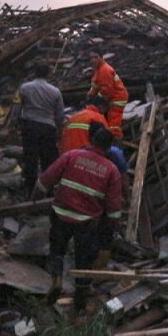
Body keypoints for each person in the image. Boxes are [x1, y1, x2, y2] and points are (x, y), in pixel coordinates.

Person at [33, 128, 123, 312]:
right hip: (87, 222)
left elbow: (47, 177)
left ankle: (57, 279)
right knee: (84, 261)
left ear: (92, 140)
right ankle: (80, 302)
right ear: (109, 147)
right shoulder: (111, 170)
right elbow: (113, 206)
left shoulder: (71, 156)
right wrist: (112, 227)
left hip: (61, 214)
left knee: (57, 250)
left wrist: (37, 194)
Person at [16, 65, 64, 190]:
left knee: (30, 157)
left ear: (34, 73)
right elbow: (59, 116)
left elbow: (17, 108)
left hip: (30, 125)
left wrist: (18, 124)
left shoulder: (24, 87)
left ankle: (30, 186)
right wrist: (60, 131)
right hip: (48, 127)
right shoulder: (55, 91)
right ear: (48, 75)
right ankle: (47, 187)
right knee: (48, 158)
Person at [86, 51, 129, 139]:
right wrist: (90, 94)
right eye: (91, 58)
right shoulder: (98, 69)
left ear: (102, 57)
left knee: (113, 122)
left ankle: (115, 138)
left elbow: (107, 91)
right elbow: (96, 86)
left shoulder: (105, 70)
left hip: (116, 98)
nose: (93, 60)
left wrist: (95, 100)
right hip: (112, 97)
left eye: (96, 57)